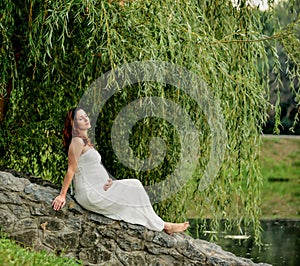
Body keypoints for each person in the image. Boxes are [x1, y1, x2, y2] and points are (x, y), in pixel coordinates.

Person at [52, 107, 189, 234]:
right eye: (81, 118)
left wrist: (106, 180)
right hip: (90, 194)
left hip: (98, 187)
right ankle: (164, 226)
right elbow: (71, 169)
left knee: (134, 186)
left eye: (86, 116)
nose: (86, 119)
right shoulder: (77, 142)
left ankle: (160, 224)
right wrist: (62, 195)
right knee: (134, 187)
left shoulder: (84, 141)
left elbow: (90, 168)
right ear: (74, 124)